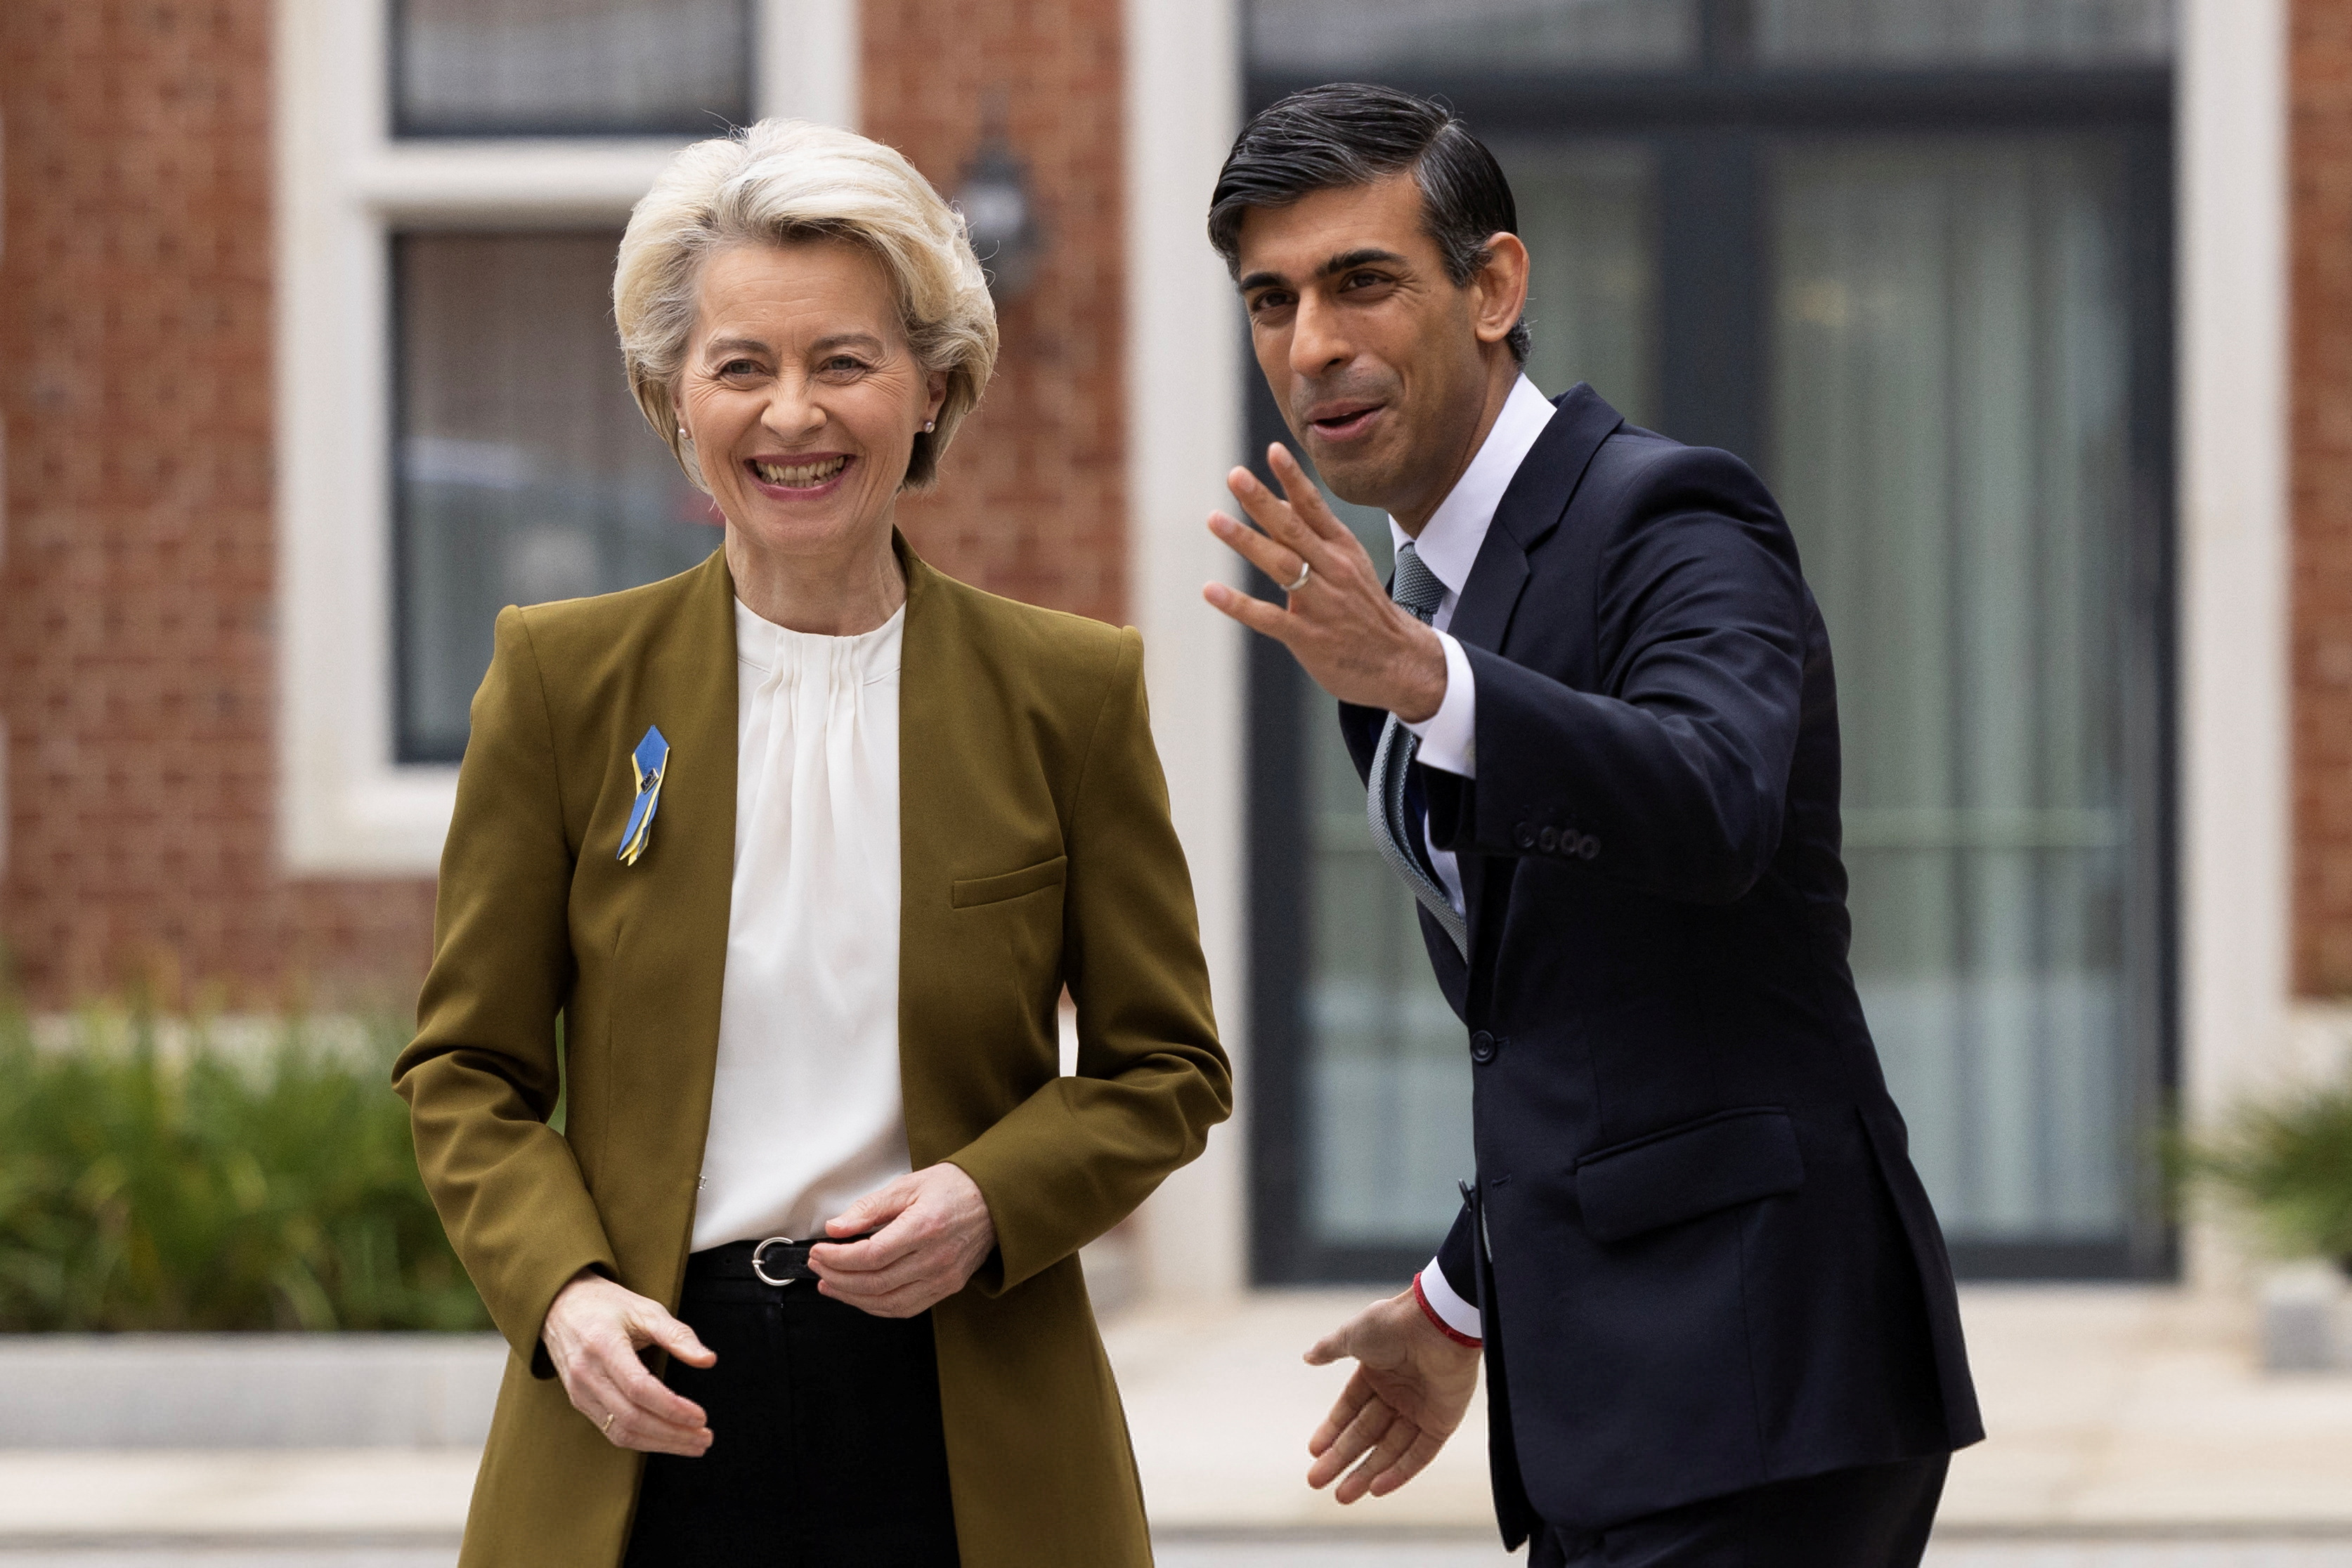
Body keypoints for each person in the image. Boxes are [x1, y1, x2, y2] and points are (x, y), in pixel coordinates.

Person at [395, 117, 1230, 1568]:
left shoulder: (1069, 693)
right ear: (675, 400)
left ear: (932, 389)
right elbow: (467, 1070)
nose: (794, 416)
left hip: (964, 1425)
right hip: (648, 1415)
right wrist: (568, 1297)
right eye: (742, 367)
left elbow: (1168, 1068)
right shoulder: (560, 681)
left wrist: (988, 1197)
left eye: (843, 362)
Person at [1200, 84, 1982, 1567]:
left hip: (1765, 1380)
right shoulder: (1408, 614)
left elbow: (1716, 799)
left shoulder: (1670, 517)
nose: (1314, 347)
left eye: (1364, 281)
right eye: (1273, 301)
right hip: (1612, 1403)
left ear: (1495, 286)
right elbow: (1573, 1029)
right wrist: (1459, 1296)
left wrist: (1435, 680)